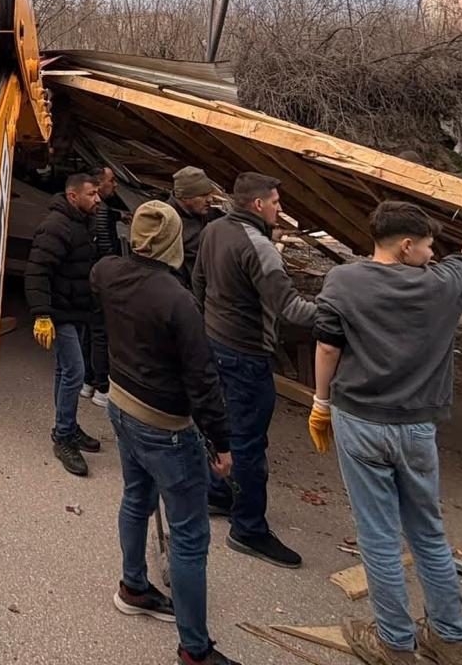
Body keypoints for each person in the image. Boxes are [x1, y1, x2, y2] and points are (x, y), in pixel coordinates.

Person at [308, 193, 462, 665]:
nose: (432, 255)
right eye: (427, 246)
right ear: (406, 246)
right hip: (417, 428)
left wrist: (321, 402)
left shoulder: (343, 280)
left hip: (360, 421)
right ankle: (449, 639)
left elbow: (328, 348)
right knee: (428, 534)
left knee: (379, 536)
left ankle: (395, 643)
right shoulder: (442, 286)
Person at [91, 200, 239, 665]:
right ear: (175, 241)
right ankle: (194, 648)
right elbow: (202, 379)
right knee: (191, 535)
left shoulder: (107, 272)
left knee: (136, 498)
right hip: (166, 426)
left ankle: (133, 585)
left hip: (120, 405)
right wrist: (221, 442)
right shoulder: (178, 300)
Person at [193, 172, 316, 565]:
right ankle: (248, 529)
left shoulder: (215, 229)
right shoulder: (260, 247)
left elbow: (199, 282)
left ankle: (217, 493)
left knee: (224, 429)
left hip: (217, 342)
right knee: (249, 443)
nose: (281, 208)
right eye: (277, 202)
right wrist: (346, 309)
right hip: (247, 354)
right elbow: (293, 310)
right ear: (258, 205)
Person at [27, 172, 104, 476]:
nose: (97, 199)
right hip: (60, 312)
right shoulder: (56, 226)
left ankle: (68, 425)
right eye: (92, 194)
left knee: (65, 370)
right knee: (76, 371)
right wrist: (42, 313)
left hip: (77, 308)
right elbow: (37, 271)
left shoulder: (83, 222)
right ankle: (63, 437)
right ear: (74, 197)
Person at [82, 165, 124, 408]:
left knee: (89, 330)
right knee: (100, 333)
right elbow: (107, 250)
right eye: (112, 180)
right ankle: (102, 387)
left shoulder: (98, 210)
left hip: (89, 278)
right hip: (100, 281)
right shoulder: (101, 212)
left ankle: (87, 381)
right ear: (99, 183)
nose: (115, 185)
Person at [168, 166, 222, 291]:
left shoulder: (204, 212)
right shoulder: (169, 222)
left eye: (209, 194)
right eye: (203, 195)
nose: (209, 200)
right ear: (184, 197)